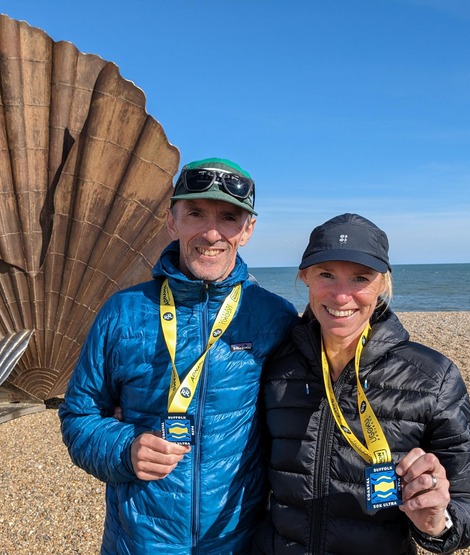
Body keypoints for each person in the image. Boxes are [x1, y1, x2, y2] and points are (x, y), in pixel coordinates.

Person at [59, 158, 299, 554]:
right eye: (196, 214)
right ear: (172, 222)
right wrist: (125, 449)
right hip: (140, 540)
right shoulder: (122, 312)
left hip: (237, 540)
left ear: (248, 229)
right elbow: (78, 415)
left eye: (228, 217)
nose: (211, 232)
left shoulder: (274, 316)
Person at [254, 213, 470, 554]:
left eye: (360, 278)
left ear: (383, 284)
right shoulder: (275, 362)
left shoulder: (434, 377)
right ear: (305, 277)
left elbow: (467, 504)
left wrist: (436, 521)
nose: (342, 296)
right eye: (326, 275)